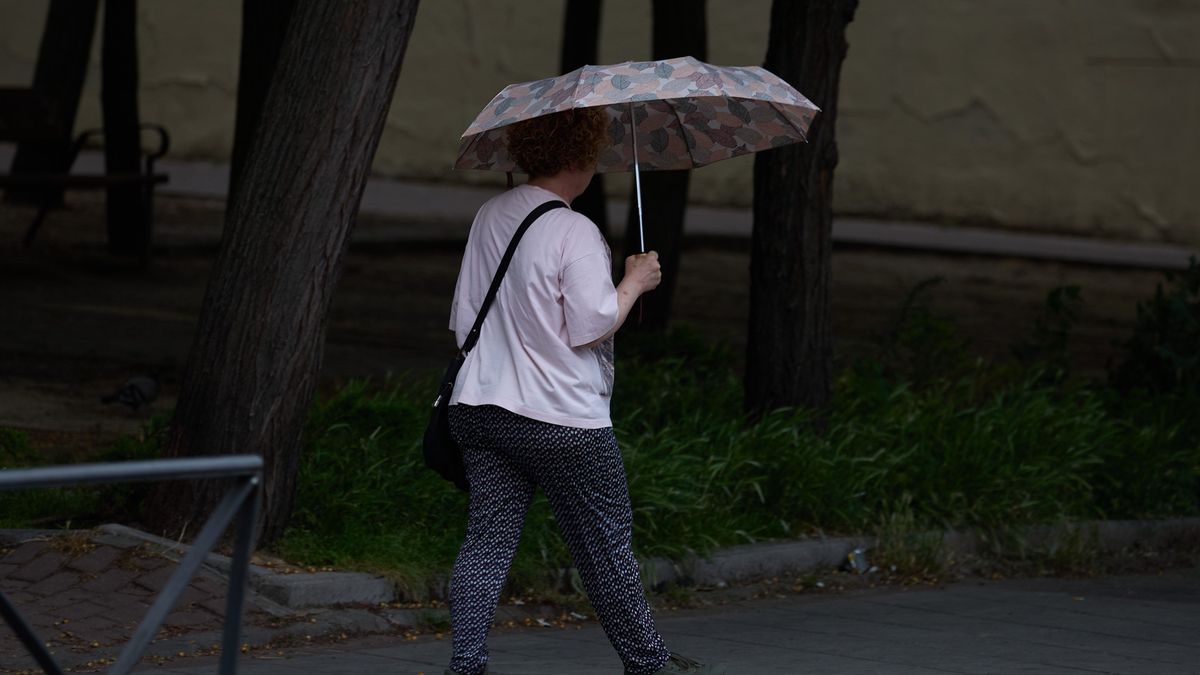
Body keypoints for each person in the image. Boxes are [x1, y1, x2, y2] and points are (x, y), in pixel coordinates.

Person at [444, 107, 724, 675]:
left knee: (487, 544)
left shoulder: (489, 214)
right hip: (562, 420)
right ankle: (649, 664)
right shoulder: (574, 229)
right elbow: (591, 323)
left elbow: (461, 320)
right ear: (581, 158)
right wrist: (635, 281)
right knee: (605, 546)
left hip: (479, 408)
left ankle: (466, 664)